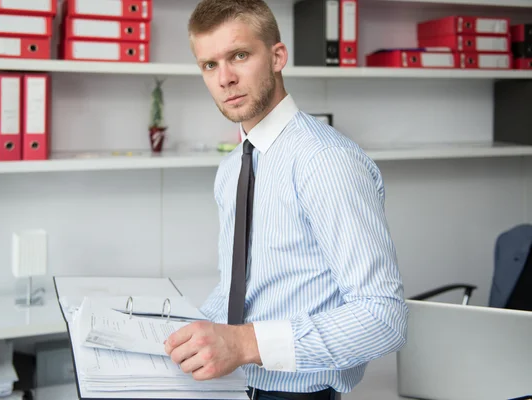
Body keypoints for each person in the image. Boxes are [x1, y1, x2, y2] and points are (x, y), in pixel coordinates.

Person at [164, 0, 409, 399]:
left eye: (239, 55)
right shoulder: (231, 170)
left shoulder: (326, 162)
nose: (224, 78)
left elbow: (384, 317)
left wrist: (242, 345)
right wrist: (180, 336)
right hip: (232, 385)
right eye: (209, 65)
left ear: (277, 57)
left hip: (297, 393)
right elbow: (242, 291)